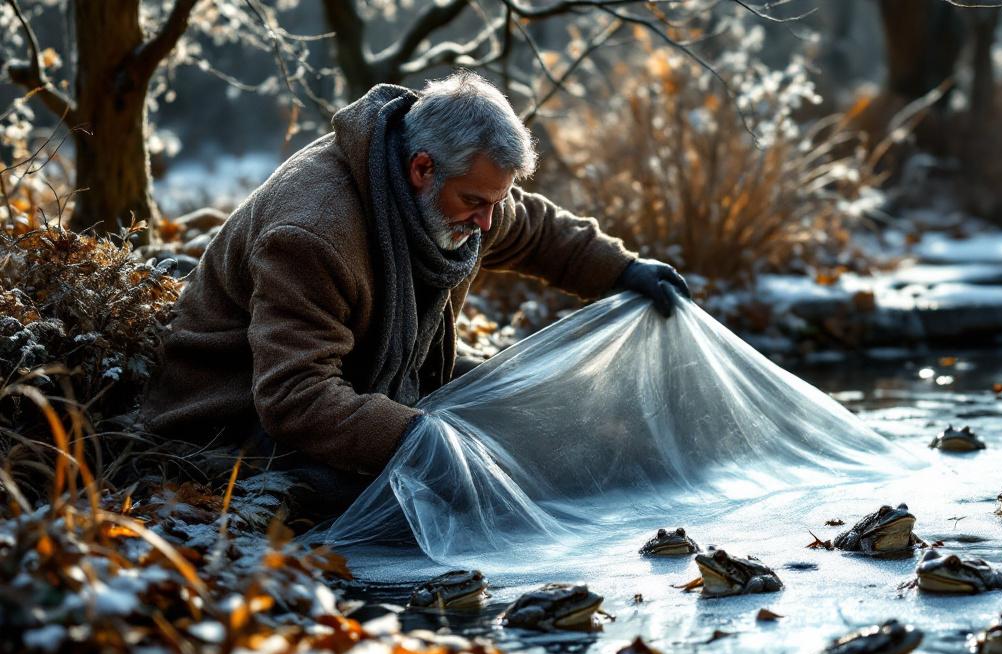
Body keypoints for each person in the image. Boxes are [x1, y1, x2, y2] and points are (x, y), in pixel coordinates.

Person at [140, 72, 689, 517]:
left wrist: (624, 271)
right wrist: (421, 442)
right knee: (406, 502)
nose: (487, 221)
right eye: (476, 202)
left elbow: (535, 230)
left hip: (371, 383)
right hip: (233, 424)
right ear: (422, 168)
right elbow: (295, 397)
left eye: (496, 200)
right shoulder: (312, 231)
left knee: (526, 410)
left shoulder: (460, 191)